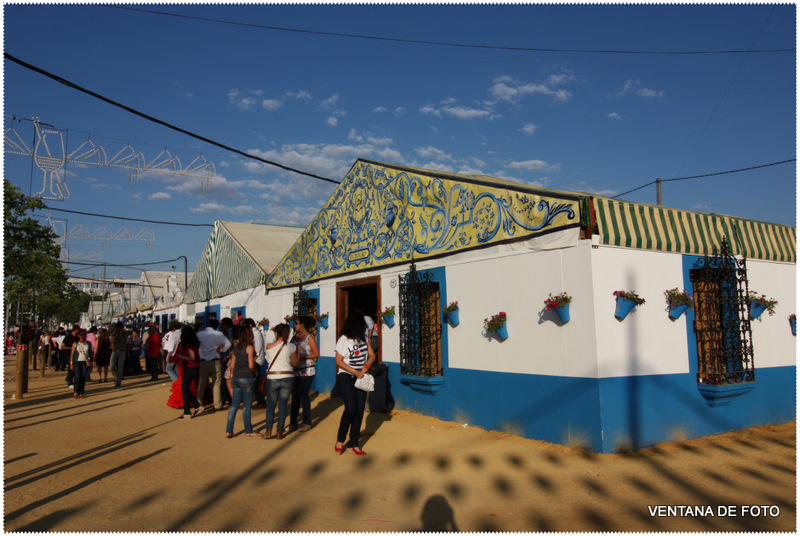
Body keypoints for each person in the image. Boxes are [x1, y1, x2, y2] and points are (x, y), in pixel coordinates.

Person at [334, 314, 376, 456]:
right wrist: (354, 371)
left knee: (359, 410)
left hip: (360, 377)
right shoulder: (343, 340)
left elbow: (372, 356)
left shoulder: (363, 339)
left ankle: (354, 443)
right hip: (346, 376)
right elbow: (339, 361)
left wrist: (364, 370)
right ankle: (340, 439)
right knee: (351, 408)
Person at [262, 323, 299, 440]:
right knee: (283, 405)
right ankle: (279, 431)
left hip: (273, 377)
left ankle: (268, 431)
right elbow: (295, 363)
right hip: (288, 377)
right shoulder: (292, 347)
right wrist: (298, 351)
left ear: (277, 333)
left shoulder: (269, 346)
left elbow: (268, 360)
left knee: (271, 405)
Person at [225, 326, 261, 438]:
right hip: (246, 377)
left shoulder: (236, 347)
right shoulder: (249, 347)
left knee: (234, 404)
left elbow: (232, 365)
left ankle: (229, 430)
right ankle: (248, 430)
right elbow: (251, 365)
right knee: (246, 405)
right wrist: (255, 372)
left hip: (236, 377)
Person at [289, 315, 320, 432]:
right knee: (295, 396)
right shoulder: (294, 337)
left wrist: (303, 357)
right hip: (296, 370)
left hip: (307, 370)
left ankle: (307, 422)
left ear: (302, 324)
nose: (295, 325)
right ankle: (293, 422)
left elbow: (316, 354)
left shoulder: (309, 338)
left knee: (304, 396)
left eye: (296, 323)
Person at [196, 318, 231, 413]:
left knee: (202, 383)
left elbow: (196, 343)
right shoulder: (218, 334)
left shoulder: (199, 334)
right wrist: (221, 350)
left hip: (203, 361)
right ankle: (217, 404)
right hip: (215, 361)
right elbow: (228, 344)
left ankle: (198, 403)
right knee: (217, 383)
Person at [174, 326, 202, 419]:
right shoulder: (195, 343)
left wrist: (182, 357)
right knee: (185, 388)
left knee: (184, 388)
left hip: (190, 366)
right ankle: (196, 406)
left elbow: (192, 357)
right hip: (196, 366)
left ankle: (188, 411)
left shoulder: (188, 344)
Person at [70, 330, 93, 398]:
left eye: (84, 335)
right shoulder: (75, 344)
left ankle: (81, 392)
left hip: (85, 362)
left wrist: (92, 361)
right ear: (78, 336)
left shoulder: (88, 343)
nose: (83, 336)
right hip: (77, 361)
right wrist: (71, 363)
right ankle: (76, 391)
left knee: (83, 377)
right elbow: (72, 354)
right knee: (77, 377)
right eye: (82, 334)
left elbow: (90, 353)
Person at [109, 322, 128, 387]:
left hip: (122, 351)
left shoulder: (124, 334)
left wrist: (120, 334)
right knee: (112, 366)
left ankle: (118, 382)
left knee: (120, 367)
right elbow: (112, 341)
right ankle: (116, 377)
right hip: (114, 351)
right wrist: (115, 334)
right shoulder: (113, 334)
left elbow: (123, 341)